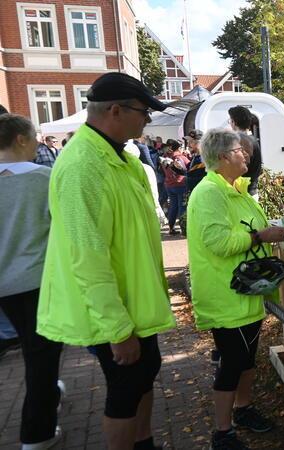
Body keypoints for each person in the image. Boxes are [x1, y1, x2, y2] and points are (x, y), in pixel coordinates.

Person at [36, 72, 176, 450]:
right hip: (112, 312)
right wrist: (117, 329)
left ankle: (144, 442)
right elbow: (87, 257)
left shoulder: (119, 157)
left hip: (134, 301)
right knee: (124, 391)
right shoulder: (83, 166)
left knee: (145, 374)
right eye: (143, 112)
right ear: (115, 110)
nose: (147, 119)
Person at [186, 128, 284, 450]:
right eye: (238, 150)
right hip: (225, 295)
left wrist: (270, 230)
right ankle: (222, 432)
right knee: (232, 363)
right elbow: (218, 242)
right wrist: (261, 237)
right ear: (222, 157)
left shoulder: (236, 190)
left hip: (246, 292)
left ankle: (243, 409)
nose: (246, 154)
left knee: (246, 359)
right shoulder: (209, 194)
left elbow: (248, 227)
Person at [0, 113, 65, 449]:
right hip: (40, 280)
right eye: (34, 137)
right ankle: (36, 434)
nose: (40, 143)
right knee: (41, 356)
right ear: (21, 139)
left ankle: (50, 393)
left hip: (4, 286)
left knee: (33, 348)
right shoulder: (44, 178)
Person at [228, 106, 262, 197]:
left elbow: (239, 169)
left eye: (230, 121)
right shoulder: (252, 139)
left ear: (234, 122)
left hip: (243, 193)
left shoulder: (242, 141)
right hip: (250, 191)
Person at [162, 139, 189, 235]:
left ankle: (171, 228)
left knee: (173, 206)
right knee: (182, 206)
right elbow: (189, 166)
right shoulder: (180, 157)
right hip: (180, 183)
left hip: (169, 184)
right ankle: (184, 228)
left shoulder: (165, 158)